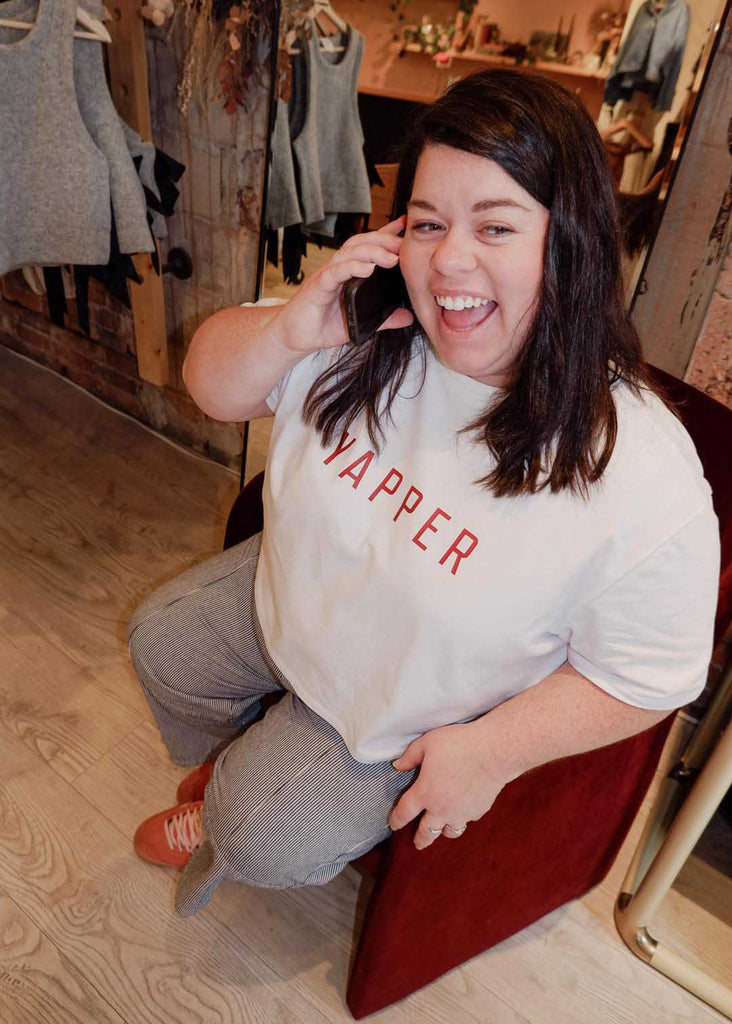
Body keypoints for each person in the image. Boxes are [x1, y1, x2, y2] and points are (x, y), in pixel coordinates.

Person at [128, 69, 719, 917]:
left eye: (496, 225)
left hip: (414, 692)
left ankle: (230, 806)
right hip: (308, 586)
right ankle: (235, 768)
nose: (449, 260)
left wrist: (492, 750)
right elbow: (212, 386)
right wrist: (298, 324)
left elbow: (653, 675)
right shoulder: (375, 321)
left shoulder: (639, 471)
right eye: (429, 223)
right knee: (161, 644)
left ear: (572, 241)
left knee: (259, 829)